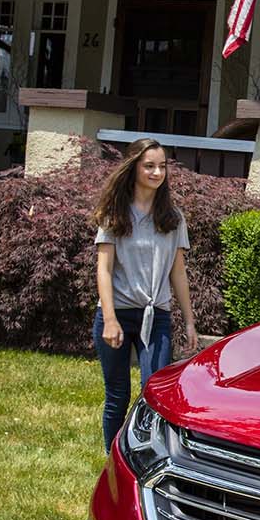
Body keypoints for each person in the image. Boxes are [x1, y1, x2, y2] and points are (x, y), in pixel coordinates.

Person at [91, 139, 196, 450]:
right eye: (149, 165)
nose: (156, 172)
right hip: (118, 314)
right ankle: (113, 456)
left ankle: (146, 452)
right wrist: (110, 320)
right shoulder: (115, 214)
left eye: (162, 166)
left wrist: (189, 321)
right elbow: (104, 270)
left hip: (157, 316)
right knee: (118, 394)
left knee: (154, 392)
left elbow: (178, 273)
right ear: (134, 167)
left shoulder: (173, 218)